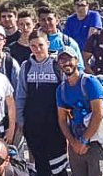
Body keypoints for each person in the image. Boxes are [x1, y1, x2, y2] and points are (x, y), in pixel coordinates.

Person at [14, 31, 67, 176]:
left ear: (48, 44)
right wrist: (21, 120)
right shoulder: (26, 66)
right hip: (33, 124)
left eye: (40, 45)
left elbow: (65, 94)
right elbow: (21, 95)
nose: (37, 49)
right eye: (33, 46)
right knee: (40, 163)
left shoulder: (58, 65)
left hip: (55, 124)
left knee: (58, 164)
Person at [54, 51, 103, 176]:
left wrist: (84, 140)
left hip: (95, 141)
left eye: (69, 59)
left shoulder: (90, 82)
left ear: (77, 61)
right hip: (75, 142)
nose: (66, 63)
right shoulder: (61, 89)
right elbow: (62, 119)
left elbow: (98, 114)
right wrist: (73, 142)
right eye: (62, 61)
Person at [37, 6, 83, 70]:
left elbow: (80, 67)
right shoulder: (33, 42)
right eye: (43, 20)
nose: (47, 22)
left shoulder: (68, 42)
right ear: (39, 21)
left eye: (50, 19)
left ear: (57, 20)